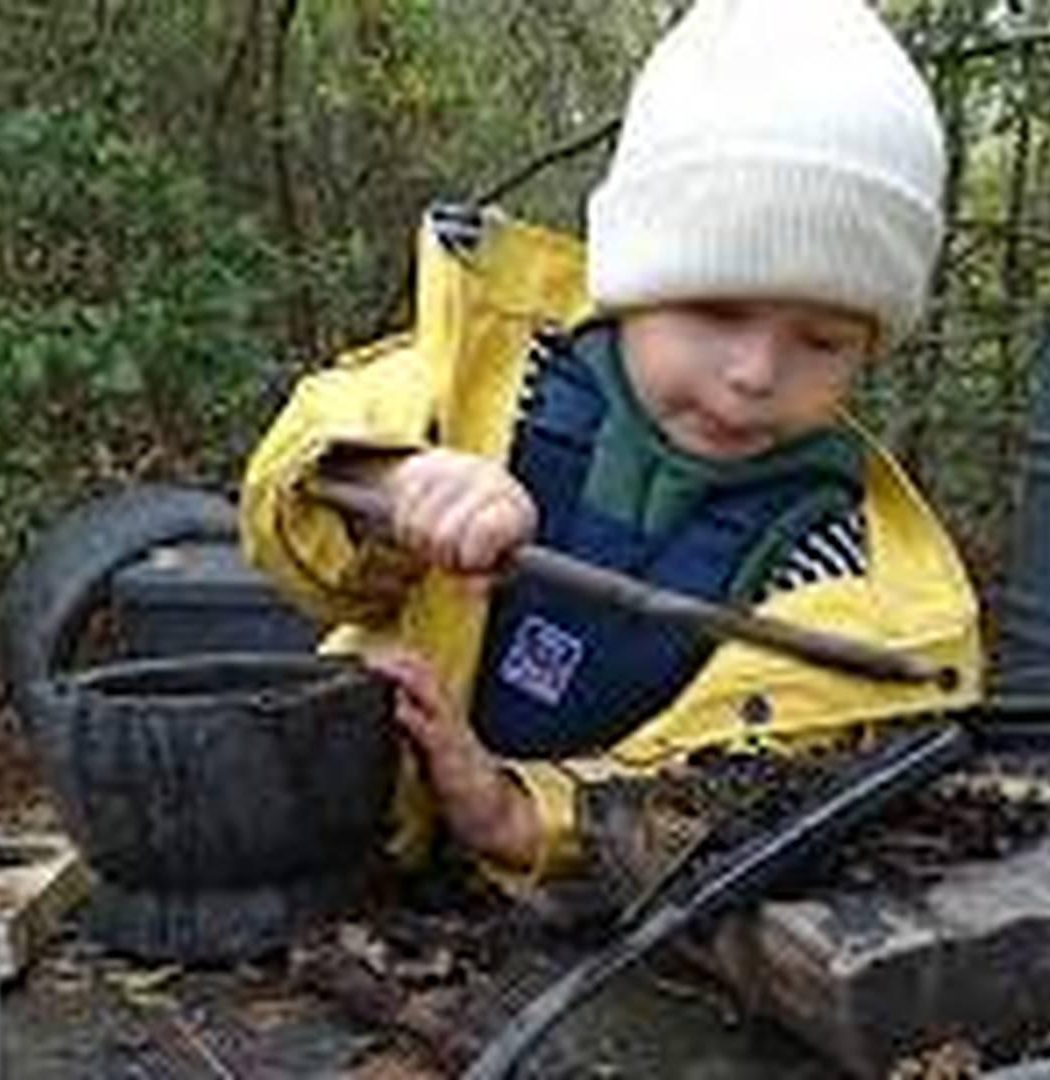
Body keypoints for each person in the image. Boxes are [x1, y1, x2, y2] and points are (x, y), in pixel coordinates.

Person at [240, 0, 982, 894]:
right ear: (633, 282)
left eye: (821, 342)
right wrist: (396, 481)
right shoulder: (487, 381)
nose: (754, 372)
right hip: (353, 853)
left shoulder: (845, 573)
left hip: (593, 931)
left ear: (871, 349)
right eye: (716, 311)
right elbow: (288, 496)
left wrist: (527, 814)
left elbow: (738, 799)